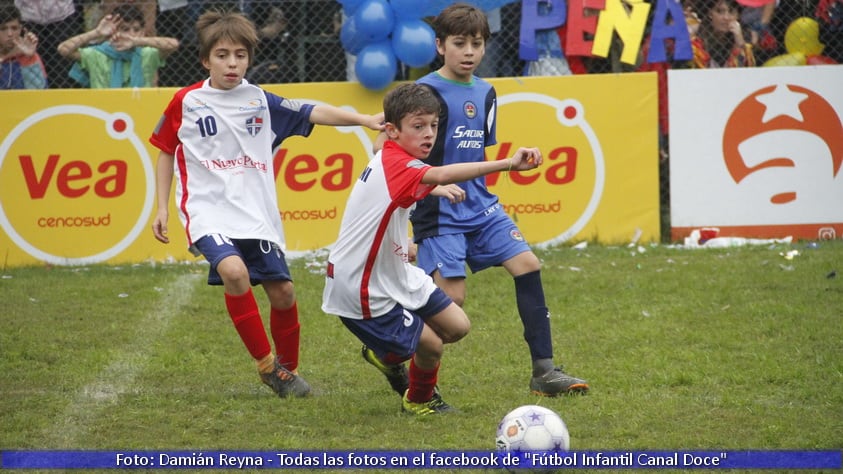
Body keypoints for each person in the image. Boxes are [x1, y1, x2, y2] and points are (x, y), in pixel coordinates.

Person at [148, 10, 384, 399]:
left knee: (284, 293)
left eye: (240, 55)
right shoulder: (185, 101)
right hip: (207, 210)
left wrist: (363, 119)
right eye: (222, 55)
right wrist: (161, 208)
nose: (232, 63)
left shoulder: (260, 100)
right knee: (235, 273)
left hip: (255, 214)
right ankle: (266, 366)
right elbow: (164, 151)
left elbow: (313, 111)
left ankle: (287, 372)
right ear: (206, 60)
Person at [366, 3, 589, 398]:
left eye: (477, 43)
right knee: (452, 304)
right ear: (439, 46)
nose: (469, 51)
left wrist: (512, 164)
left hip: (482, 205)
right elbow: (385, 145)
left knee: (528, 265)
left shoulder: (487, 92)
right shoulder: (425, 92)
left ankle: (544, 371)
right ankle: (388, 350)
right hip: (440, 210)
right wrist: (428, 186)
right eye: (459, 43)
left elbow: (477, 157)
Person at [323, 82, 543, 415]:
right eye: (418, 126)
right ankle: (419, 399)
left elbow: (409, 184)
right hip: (362, 285)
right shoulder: (400, 163)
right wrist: (507, 164)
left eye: (434, 125)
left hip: (393, 271)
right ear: (393, 131)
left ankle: (386, 354)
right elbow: (438, 173)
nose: (429, 134)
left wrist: (433, 191)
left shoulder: (393, 156)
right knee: (432, 344)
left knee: (458, 326)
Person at [57, 4, 178, 88]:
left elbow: (173, 44)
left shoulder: (147, 53)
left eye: (136, 30)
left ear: (142, 32)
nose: (131, 34)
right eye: (125, 29)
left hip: (141, 108)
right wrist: (96, 33)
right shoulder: (97, 54)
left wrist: (137, 42)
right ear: (113, 31)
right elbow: (63, 49)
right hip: (104, 109)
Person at [14, 0, 82, 88]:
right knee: (33, 65)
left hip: (62, 14)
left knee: (62, 68)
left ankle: (62, 96)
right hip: (27, 15)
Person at [689, 0, 756, 68]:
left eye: (731, 12)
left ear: (738, 16)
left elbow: (748, 71)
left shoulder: (745, 37)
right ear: (710, 13)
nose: (726, 17)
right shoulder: (697, 42)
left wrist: (739, 43)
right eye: (720, 11)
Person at [0, 3, 47, 89]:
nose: (10, 34)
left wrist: (29, 58)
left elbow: (39, 91)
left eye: (14, 28)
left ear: (20, 29)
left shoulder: (29, 55)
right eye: (3, 29)